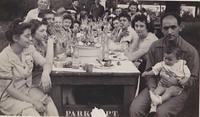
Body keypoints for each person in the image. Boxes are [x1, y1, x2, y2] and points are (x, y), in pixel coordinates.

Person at [129, 12, 199, 117]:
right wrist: (153, 89)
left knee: (161, 113)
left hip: (178, 90)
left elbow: (194, 78)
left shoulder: (190, 51)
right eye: (166, 28)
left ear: (180, 27)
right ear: (161, 29)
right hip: (157, 86)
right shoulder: (155, 46)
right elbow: (149, 72)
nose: (169, 31)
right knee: (135, 109)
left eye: (173, 27)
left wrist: (178, 82)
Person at [0, 19, 58, 116]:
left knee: (48, 102)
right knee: (31, 112)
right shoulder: (3, 57)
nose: (31, 39)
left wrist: (45, 73)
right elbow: (10, 90)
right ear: (15, 38)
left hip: (26, 90)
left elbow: (46, 63)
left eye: (30, 35)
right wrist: (33, 102)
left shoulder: (29, 48)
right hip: (8, 97)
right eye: (27, 36)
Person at [142, 46, 191, 113]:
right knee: (156, 92)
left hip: (176, 86)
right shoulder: (162, 64)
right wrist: (147, 73)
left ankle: (160, 100)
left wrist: (183, 81)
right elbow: (154, 70)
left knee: (170, 91)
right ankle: (153, 107)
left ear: (177, 59)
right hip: (163, 84)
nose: (166, 61)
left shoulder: (182, 65)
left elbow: (187, 75)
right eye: (165, 58)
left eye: (170, 59)